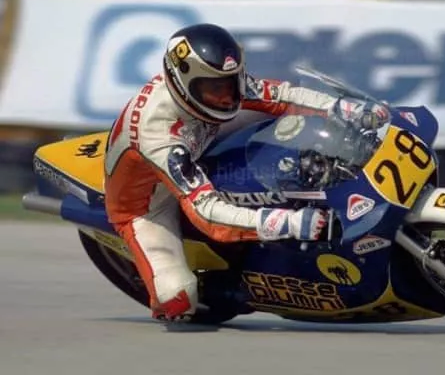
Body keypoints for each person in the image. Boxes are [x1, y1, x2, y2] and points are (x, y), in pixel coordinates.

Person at [103, 23, 341, 322]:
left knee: (282, 132)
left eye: (231, 83)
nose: (227, 96)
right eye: (215, 88)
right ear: (182, 84)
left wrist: (342, 108)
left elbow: (282, 95)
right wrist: (288, 223)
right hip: (150, 205)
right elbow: (207, 214)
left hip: (199, 146)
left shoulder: (218, 87)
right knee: (179, 298)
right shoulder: (156, 131)